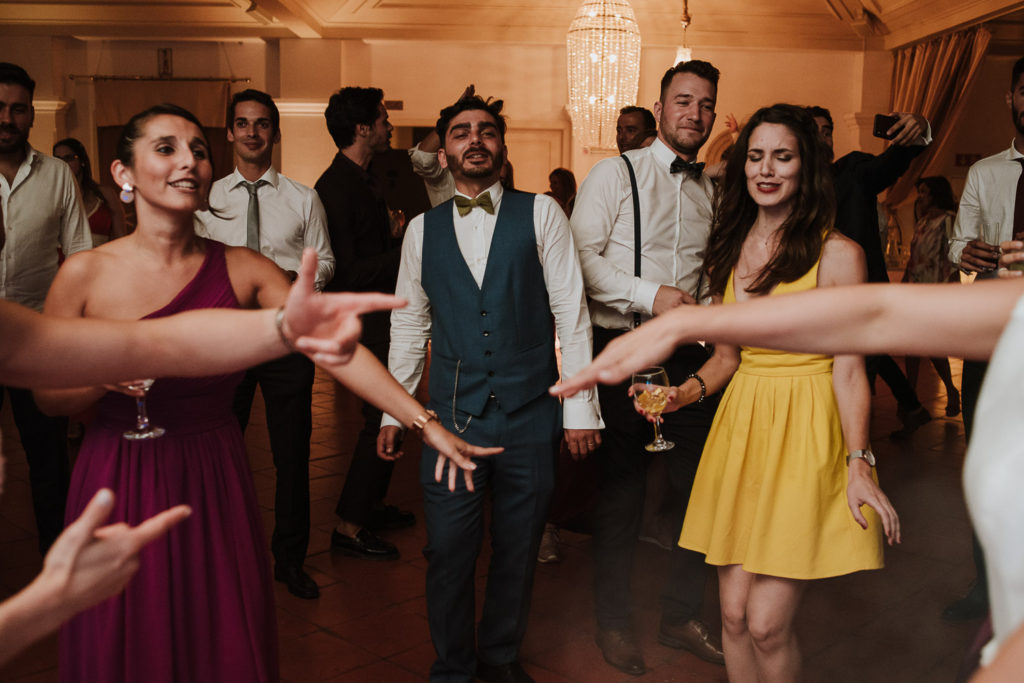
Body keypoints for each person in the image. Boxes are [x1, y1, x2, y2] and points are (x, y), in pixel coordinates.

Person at [33, 103, 497, 683]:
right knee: (130, 634)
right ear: (124, 174)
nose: (189, 162)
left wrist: (421, 422)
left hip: (211, 474)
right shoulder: (83, 275)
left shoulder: (244, 270)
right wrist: (104, 372)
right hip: (119, 473)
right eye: (166, 148)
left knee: (216, 635)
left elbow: (339, 350)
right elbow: (49, 399)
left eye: (199, 150)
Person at [555, 246, 1024, 682]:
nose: (767, 169)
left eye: (783, 155)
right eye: (757, 155)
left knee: (765, 624)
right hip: (742, 432)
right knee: (735, 615)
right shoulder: (733, 250)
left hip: (805, 429)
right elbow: (736, 353)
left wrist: (858, 460)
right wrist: (680, 390)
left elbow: (868, 326)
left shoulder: (841, 252)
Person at [379, 94, 602, 683]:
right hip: (453, 417)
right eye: (460, 132)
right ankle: (453, 669)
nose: (474, 139)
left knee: (518, 548)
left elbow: (571, 313)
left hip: (532, 412)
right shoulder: (422, 232)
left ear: (502, 146)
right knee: (448, 552)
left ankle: (500, 660)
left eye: (485, 131)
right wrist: (392, 413)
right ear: (444, 149)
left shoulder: (543, 213)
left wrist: (581, 408)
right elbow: (408, 324)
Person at [569, 59, 725, 675]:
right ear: (659, 110)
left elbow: (711, 275)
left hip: (690, 361)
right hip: (625, 349)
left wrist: (711, 317)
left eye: (705, 104)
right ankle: (613, 623)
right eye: (683, 101)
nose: (695, 113)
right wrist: (648, 294)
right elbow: (579, 260)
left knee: (698, 496)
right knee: (622, 497)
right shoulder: (614, 173)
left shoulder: (714, 188)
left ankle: (680, 615)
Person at [196, 88, 335, 599]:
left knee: (292, 453)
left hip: (284, 339)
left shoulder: (303, 198)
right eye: (242, 123)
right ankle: (218, 555)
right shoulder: (205, 198)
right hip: (224, 343)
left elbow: (328, 263)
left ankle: (290, 559)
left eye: (262, 124)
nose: (252, 132)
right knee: (214, 453)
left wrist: (293, 281)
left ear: (275, 133)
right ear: (230, 132)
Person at [315, 85, 416, 562]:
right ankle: (349, 524)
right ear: (362, 129)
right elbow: (347, 272)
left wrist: (392, 237)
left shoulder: (363, 177)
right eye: (381, 119)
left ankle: (369, 506)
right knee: (381, 414)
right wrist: (405, 250)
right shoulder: (335, 187)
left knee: (388, 410)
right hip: (357, 321)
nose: (388, 125)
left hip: (379, 315)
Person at [943, 56, 1024, 625]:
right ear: (1012, 97)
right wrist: (963, 253)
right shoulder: (986, 172)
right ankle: (987, 582)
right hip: (993, 339)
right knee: (987, 460)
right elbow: (958, 241)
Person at [0, 62, 92, 554]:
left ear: (31, 115)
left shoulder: (56, 175)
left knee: (49, 460)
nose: (7, 118)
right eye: (0, 107)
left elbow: (79, 255)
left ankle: (59, 561)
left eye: (17, 109)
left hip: (36, 338)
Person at [806, 104, 932, 438]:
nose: (821, 137)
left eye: (827, 130)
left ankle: (856, 460)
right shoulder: (788, 187)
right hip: (809, 312)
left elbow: (890, 164)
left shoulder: (853, 171)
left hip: (858, 304)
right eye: (813, 130)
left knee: (856, 387)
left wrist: (916, 129)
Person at [902, 176, 960, 416]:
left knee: (932, 348)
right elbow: (915, 257)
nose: (920, 197)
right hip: (915, 291)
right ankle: (910, 401)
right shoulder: (922, 222)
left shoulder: (948, 220)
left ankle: (951, 390)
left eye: (924, 192)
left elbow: (953, 258)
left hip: (936, 291)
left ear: (935, 194)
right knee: (910, 348)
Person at [52, 137, 127, 245]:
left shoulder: (105, 194)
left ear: (82, 161)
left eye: (69, 158)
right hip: (62, 260)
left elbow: (121, 238)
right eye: (58, 160)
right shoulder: (52, 196)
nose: (64, 164)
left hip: (100, 259)